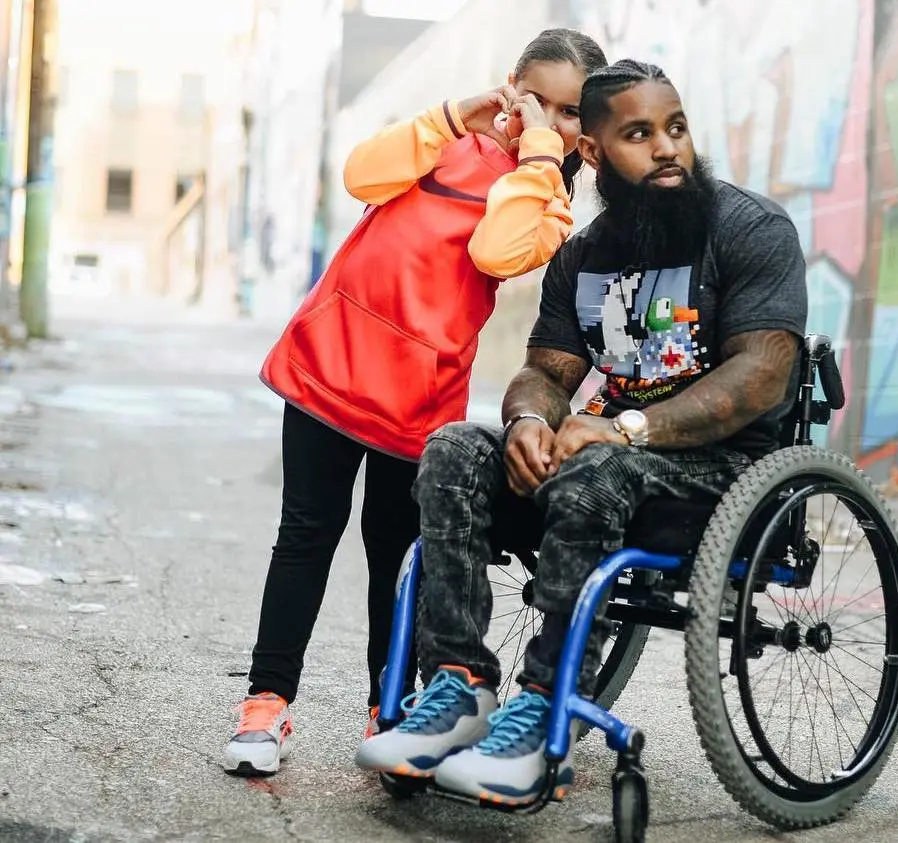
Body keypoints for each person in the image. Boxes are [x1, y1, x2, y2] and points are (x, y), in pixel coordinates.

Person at [354, 59, 808, 805]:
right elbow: (544, 370)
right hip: (607, 463)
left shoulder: (749, 229)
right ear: (592, 152)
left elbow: (761, 376)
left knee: (598, 469)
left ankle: (539, 712)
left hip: (722, 473)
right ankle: (460, 684)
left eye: (676, 128)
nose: (666, 149)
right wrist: (532, 419)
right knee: (455, 449)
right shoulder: (584, 254)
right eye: (638, 134)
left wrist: (624, 428)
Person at [222, 29, 608, 777]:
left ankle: (389, 704)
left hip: (416, 396)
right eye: (540, 102)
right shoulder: (445, 139)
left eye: (569, 114)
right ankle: (265, 703)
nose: (551, 123)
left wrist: (533, 156)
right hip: (330, 362)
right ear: (511, 88)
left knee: (394, 556)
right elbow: (363, 175)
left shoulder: (549, 205)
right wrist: (451, 115)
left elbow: (496, 251)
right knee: (304, 536)